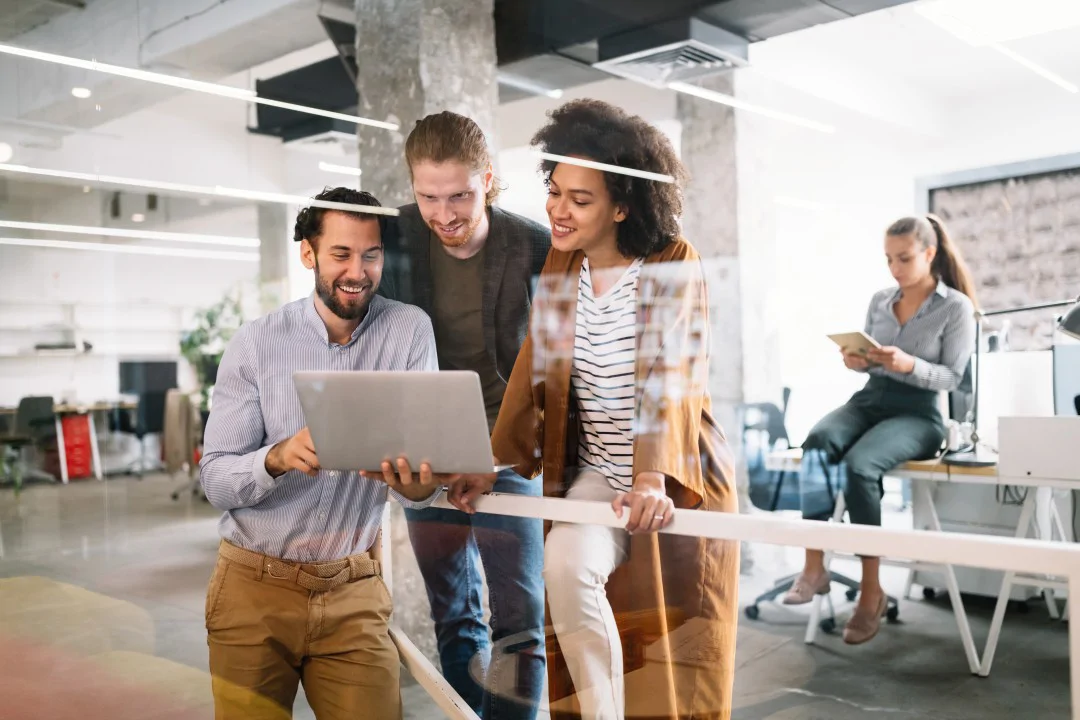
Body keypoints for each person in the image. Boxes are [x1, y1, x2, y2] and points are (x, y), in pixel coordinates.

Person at [454, 99, 740, 720]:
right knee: (564, 566)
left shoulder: (671, 260)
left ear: (622, 205)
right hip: (597, 469)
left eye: (579, 200)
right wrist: (489, 464)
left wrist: (651, 475)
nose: (558, 210)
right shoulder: (564, 262)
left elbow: (673, 373)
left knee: (682, 641)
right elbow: (536, 367)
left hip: (676, 471)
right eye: (555, 192)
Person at [200, 187, 450, 720]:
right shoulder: (257, 344)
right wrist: (277, 456)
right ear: (309, 254)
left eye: (371, 254)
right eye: (341, 254)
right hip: (254, 589)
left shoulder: (409, 331)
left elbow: (423, 491)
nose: (357, 271)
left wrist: (415, 478)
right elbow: (216, 480)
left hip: (353, 590)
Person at [377, 111, 551, 718]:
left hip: (508, 448)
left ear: (489, 179)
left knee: (519, 619)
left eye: (460, 195)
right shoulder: (394, 238)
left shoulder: (533, 243)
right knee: (452, 612)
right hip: (428, 447)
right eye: (429, 196)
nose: (445, 214)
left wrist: (509, 452)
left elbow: (558, 366)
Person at [783, 213, 977, 645]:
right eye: (888, 259)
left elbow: (954, 378)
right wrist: (857, 359)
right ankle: (814, 566)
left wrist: (911, 365)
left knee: (858, 466)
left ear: (929, 254)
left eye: (904, 258)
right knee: (816, 442)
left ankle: (872, 591)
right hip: (871, 400)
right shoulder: (879, 300)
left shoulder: (955, 307)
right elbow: (867, 358)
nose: (894, 269)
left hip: (919, 413)